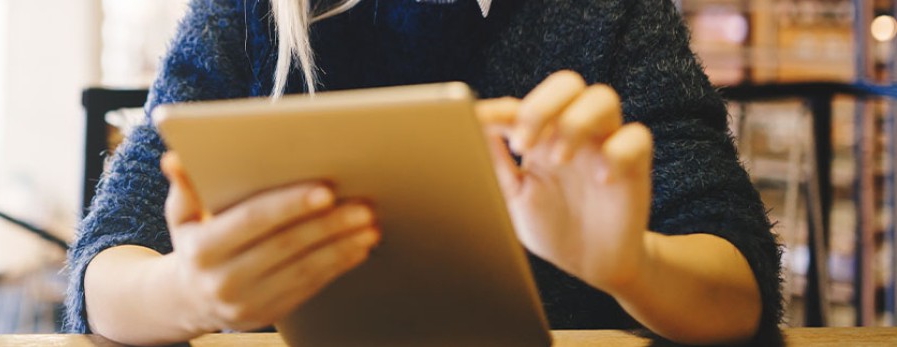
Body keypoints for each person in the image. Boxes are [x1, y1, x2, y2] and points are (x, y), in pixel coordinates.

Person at [67, 0, 782, 345]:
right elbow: (104, 268)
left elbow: (737, 289)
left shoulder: (605, 11)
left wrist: (629, 263)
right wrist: (189, 291)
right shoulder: (249, 14)